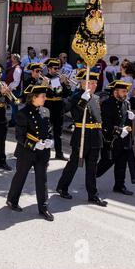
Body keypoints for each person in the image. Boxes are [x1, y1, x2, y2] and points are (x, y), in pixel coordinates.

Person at [56, 72, 108, 207]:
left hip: (95, 135)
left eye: (95, 83)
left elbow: (98, 118)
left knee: (92, 167)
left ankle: (93, 195)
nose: (94, 85)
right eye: (91, 82)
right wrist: (83, 100)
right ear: (83, 83)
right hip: (82, 135)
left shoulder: (95, 97)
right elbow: (68, 110)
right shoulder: (77, 96)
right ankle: (62, 187)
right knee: (74, 163)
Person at [6, 85, 54, 221]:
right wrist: (34, 144)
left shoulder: (46, 111)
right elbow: (19, 136)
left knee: (42, 179)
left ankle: (43, 207)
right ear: (34, 98)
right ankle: (12, 200)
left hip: (42, 152)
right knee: (20, 176)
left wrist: (50, 140)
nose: (45, 98)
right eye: (42, 96)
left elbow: (48, 130)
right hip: (26, 151)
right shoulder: (23, 113)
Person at [96, 81, 135, 196]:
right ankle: (92, 176)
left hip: (124, 139)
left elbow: (126, 121)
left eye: (126, 91)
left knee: (122, 163)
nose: (126, 94)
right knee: (106, 162)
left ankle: (119, 185)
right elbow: (105, 124)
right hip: (111, 139)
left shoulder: (126, 103)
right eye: (123, 91)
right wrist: (119, 130)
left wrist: (131, 119)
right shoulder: (107, 104)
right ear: (115, 92)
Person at [44, 58, 72, 161]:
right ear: (49, 68)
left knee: (58, 132)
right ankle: (44, 153)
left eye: (58, 68)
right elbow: (55, 92)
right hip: (49, 106)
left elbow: (66, 94)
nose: (57, 70)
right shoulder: (45, 78)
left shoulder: (57, 79)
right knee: (46, 131)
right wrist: (60, 82)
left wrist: (67, 84)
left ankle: (59, 153)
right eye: (55, 68)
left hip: (59, 107)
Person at [6, 54, 23, 127]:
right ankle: (13, 120)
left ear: (15, 60)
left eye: (12, 58)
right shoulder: (14, 67)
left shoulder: (17, 69)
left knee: (14, 107)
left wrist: (9, 87)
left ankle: (15, 121)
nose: (10, 59)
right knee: (13, 106)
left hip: (14, 90)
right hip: (12, 90)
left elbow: (16, 82)